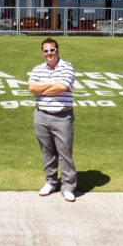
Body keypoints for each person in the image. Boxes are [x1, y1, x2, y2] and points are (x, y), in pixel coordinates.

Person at [28, 38, 77, 202]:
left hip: (62, 116)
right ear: (43, 53)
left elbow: (62, 87)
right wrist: (52, 85)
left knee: (65, 152)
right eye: (46, 51)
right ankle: (50, 182)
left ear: (58, 51)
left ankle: (68, 186)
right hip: (41, 115)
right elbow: (32, 88)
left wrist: (43, 87)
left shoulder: (67, 66)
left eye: (52, 50)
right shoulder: (37, 69)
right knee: (47, 152)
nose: (49, 53)